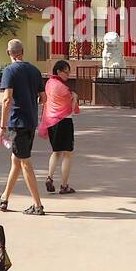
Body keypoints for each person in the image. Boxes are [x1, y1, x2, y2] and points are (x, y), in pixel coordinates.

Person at [0, 38, 45, 215]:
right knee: (16, 160)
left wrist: (2, 127)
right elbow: (43, 98)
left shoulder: (10, 71)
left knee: (24, 162)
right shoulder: (35, 70)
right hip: (30, 122)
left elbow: (7, 99)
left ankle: (38, 205)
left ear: (9, 53)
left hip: (17, 123)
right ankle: (4, 198)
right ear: (23, 52)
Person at [39, 59, 80, 194]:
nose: (68, 76)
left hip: (51, 122)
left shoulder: (49, 83)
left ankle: (49, 177)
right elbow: (71, 108)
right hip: (64, 122)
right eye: (66, 73)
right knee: (67, 153)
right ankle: (64, 185)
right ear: (58, 71)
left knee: (56, 152)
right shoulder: (63, 88)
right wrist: (74, 96)